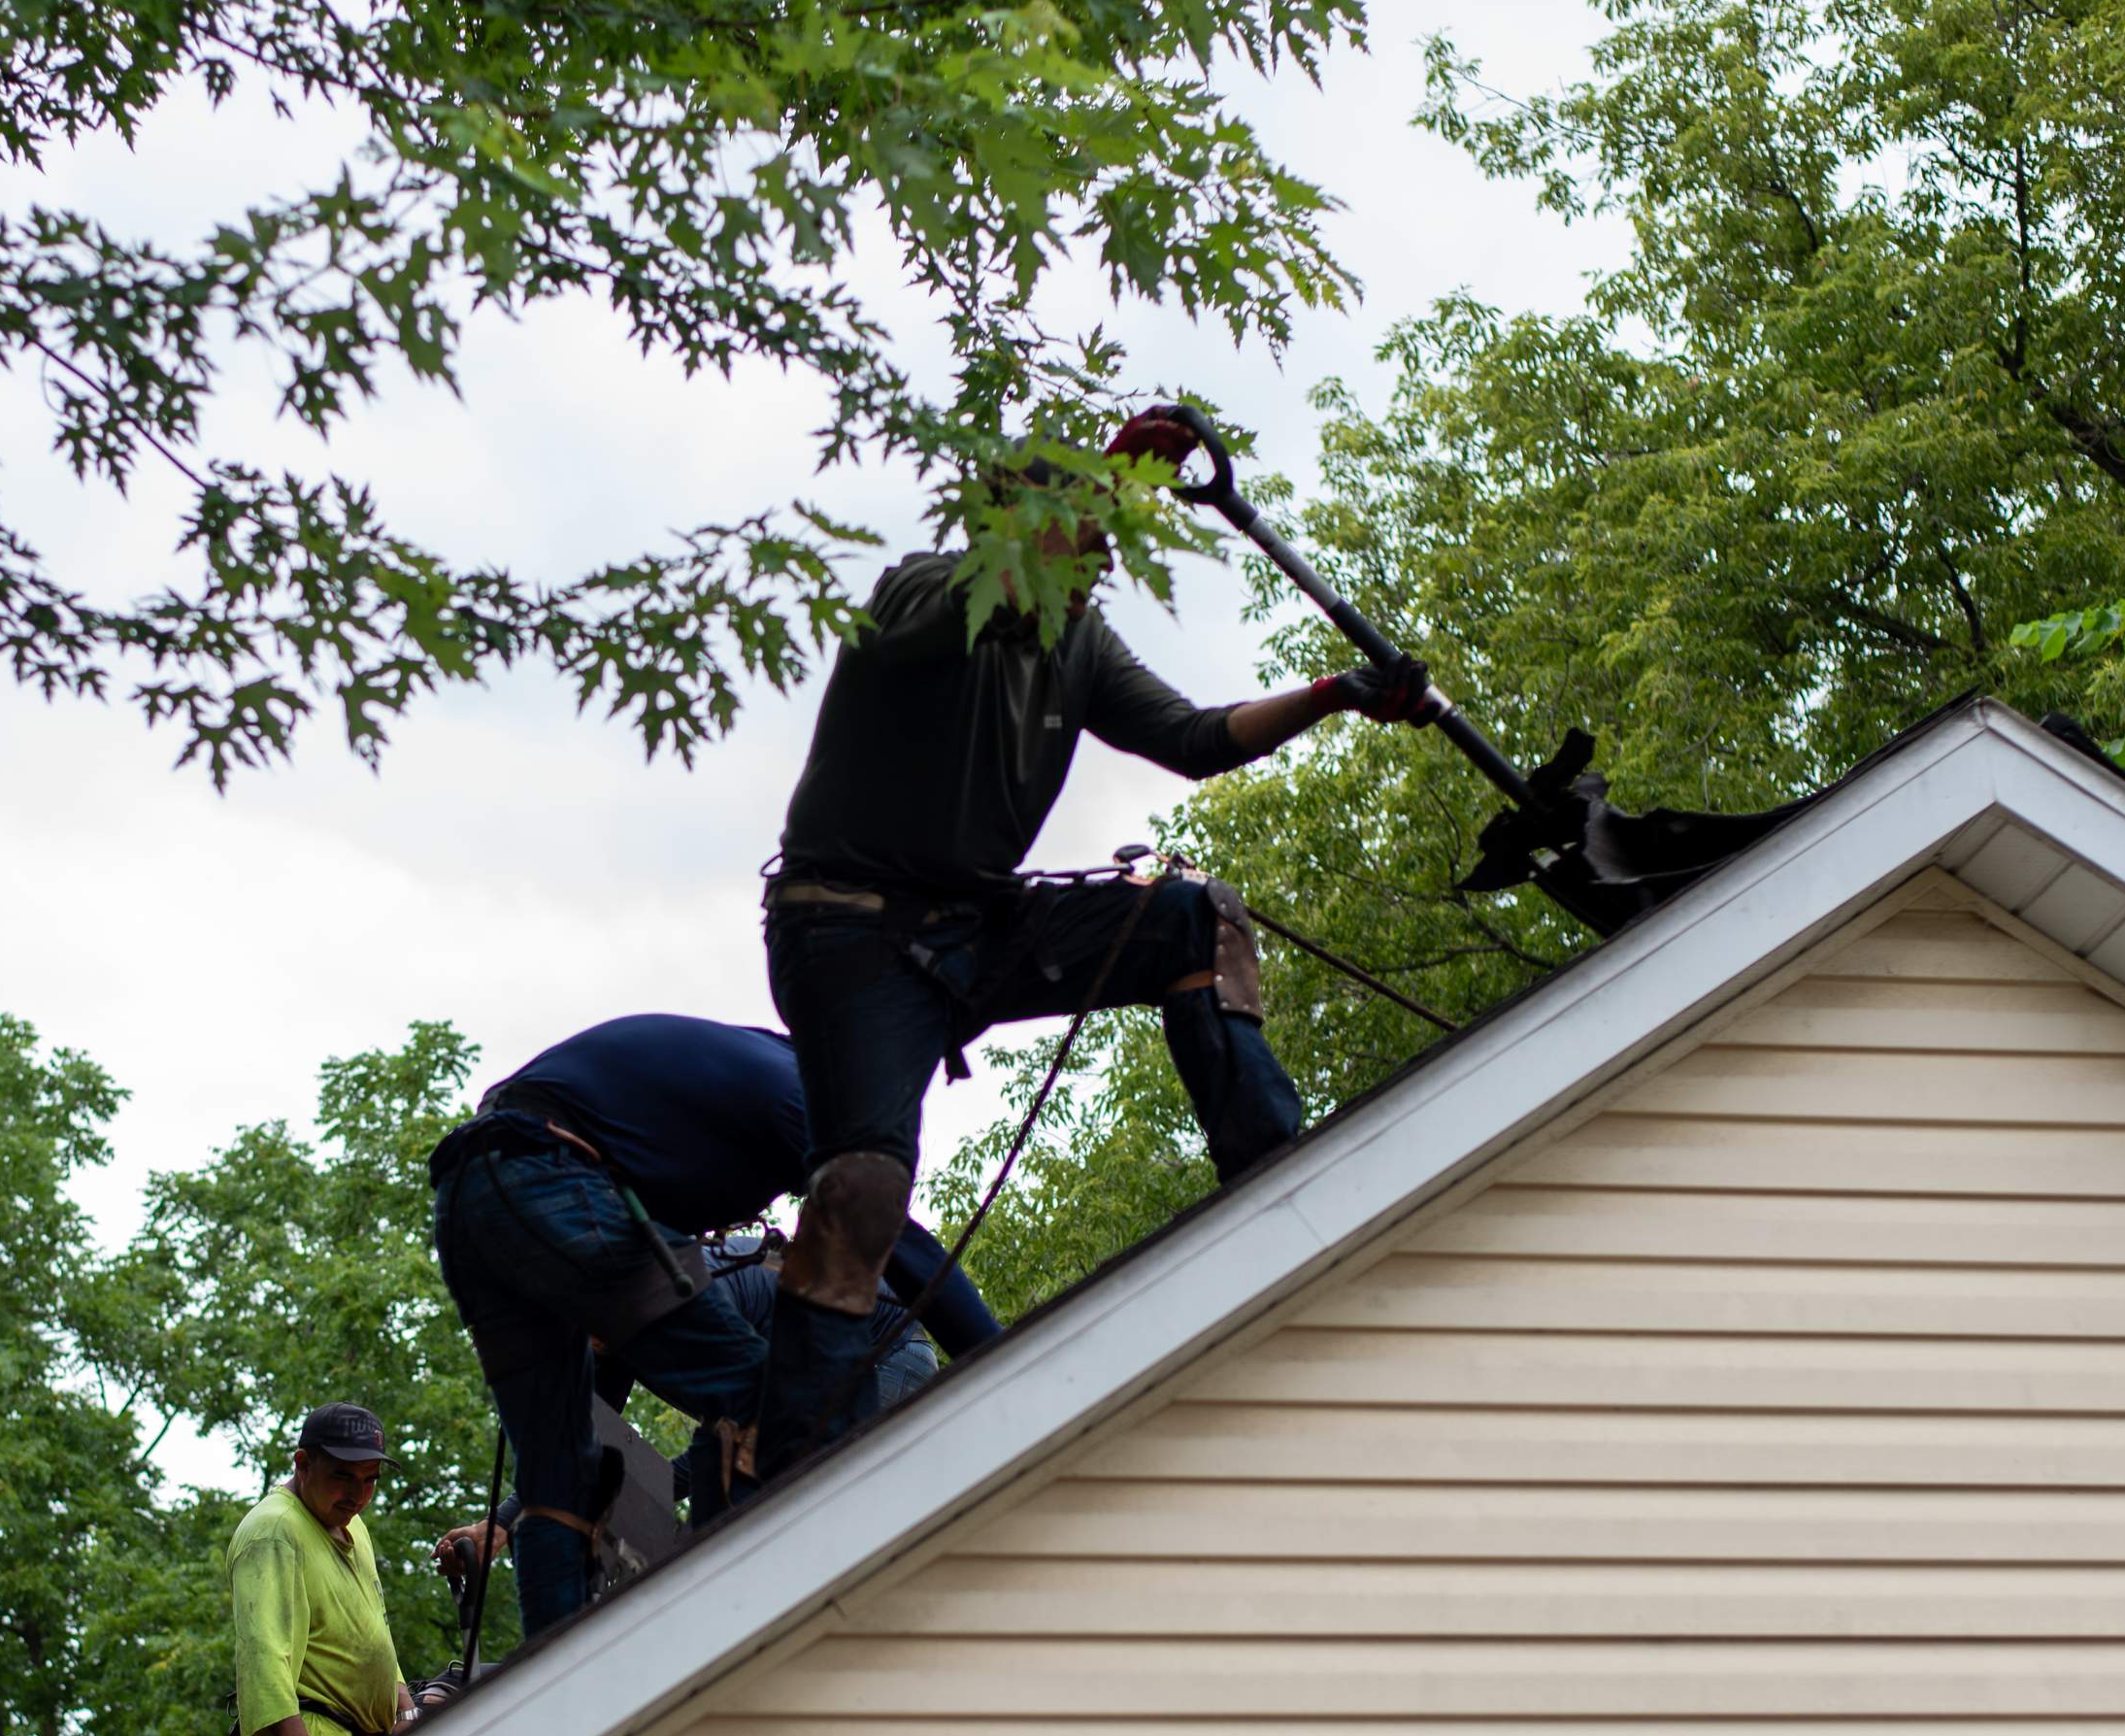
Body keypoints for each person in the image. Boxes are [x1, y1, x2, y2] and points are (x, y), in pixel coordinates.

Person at [753, 414, 1437, 1472]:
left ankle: (1279, 1188)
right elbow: (1000, 587)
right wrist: (1111, 481)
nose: (1111, 553)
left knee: (1190, 913)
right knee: (864, 1193)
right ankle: (787, 1466)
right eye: (1090, 529)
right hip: (848, 936)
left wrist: (1334, 695)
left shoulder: (1082, 642)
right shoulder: (916, 594)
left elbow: (1195, 741)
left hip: (977, 929)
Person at [428, 1013, 999, 1637]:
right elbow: (912, 1252)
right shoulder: (807, 1093)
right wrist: (1007, 1364)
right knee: (771, 1411)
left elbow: (594, 1422)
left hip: (468, 1204)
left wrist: (506, 1525)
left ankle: (553, 1689)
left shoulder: (637, 1275)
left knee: (561, 1485)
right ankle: (743, 1633)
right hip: (543, 1173)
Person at [226, 1402, 413, 1736]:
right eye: (342, 1477)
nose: (357, 1495)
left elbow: (372, 1627)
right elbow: (262, 1651)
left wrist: (406, 1710)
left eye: (370, 1481)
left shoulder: (352, 1525)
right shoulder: (274, 1530)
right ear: (303, 1464)